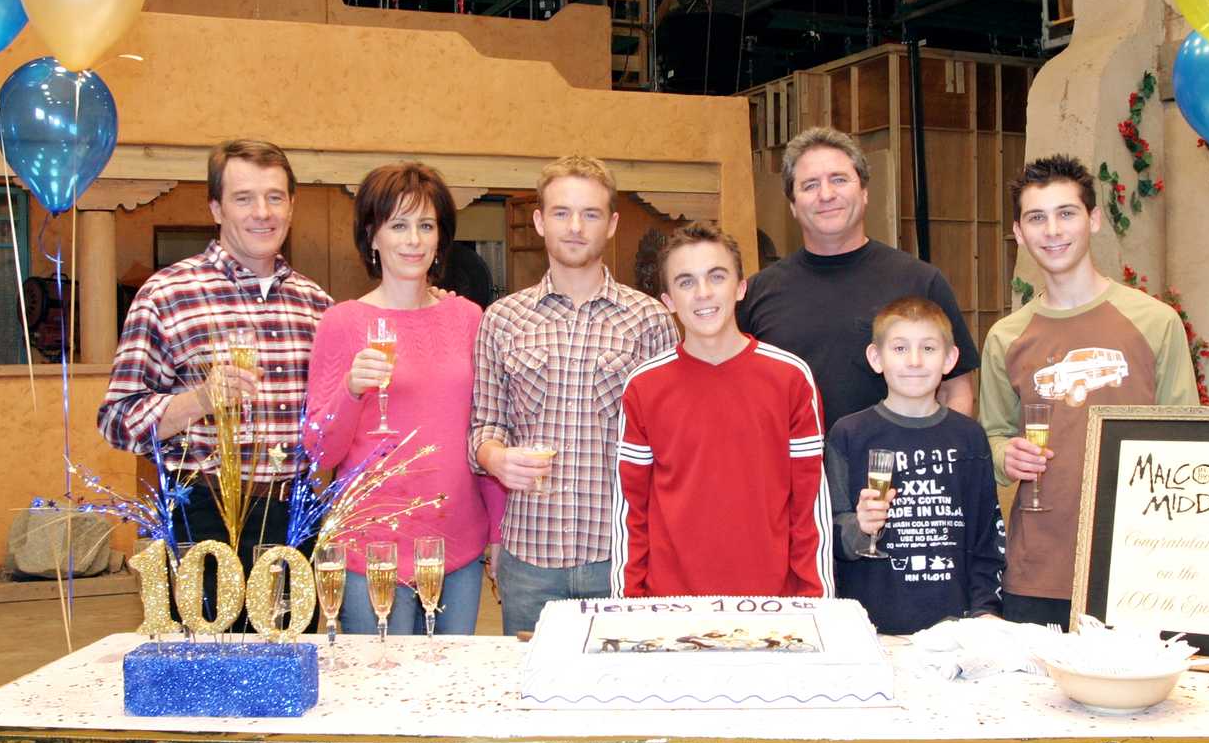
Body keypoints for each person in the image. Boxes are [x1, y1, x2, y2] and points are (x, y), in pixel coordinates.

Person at [98, 138, 331, 621]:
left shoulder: (317, 305)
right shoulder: (167, 294)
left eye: (275, 196)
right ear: (216, 208)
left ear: (292, 205)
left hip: (296, 518)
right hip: (202, 514)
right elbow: (117, 421)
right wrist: (199, 399)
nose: (262, 213)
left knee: (292, 675)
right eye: (244, 198)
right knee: (207, 675)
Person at [979, 154, 1198, 629]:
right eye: (1037, 218)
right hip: (1039, 565)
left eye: (1066, 213)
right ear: (1019, 233)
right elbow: (993, 437)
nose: (1052, 230)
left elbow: (1188, 436)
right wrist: (1006, 457)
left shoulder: (1155, 322)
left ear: (1093, 219)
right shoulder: (1005, 337)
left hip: (1141, 563)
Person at [470, 155, 678, 635]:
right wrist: (495, 456)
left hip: (619, 552)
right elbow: (484, 424)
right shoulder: (502, 320)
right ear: (541, 221)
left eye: (591, 214)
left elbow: (669, 444)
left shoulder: (651, 322)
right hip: (530, 556)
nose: (575, 227)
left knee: (621, 696)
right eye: (562, 213)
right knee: (532, 693)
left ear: (612, 225)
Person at [303, 163, 505, 636]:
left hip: (457, 546)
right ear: (372, 236)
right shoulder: (343, 323)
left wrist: (496, 532)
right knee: (375, 694)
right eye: (398, 225)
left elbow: (488, 429)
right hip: (369, 550)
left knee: (447, 692)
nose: (413, 240)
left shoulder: (468, 318)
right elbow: (319, 453)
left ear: (440, 238)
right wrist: (351, 390)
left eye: (426, 225)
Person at [611, 222, 832, 598]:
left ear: (741, 287)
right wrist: (628, 606)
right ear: (667, 301)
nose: (703, 293)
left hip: (771, 605)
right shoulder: (643, 387)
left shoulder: (791, 378)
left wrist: (816, 605)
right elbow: (631, 512)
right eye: (685, 282)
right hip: (670, 606)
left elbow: (809, 507)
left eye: (716, 276)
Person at [738, 126, 980, 430]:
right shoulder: (757, 293)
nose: (826, 194)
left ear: (864, 192)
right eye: (810, 185)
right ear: (793, 205)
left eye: (839, 179)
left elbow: (956, 389)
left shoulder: (920, 282)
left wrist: (939, 460)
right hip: (793, 476)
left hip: (896, 475)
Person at [825, 297, 1003, 633]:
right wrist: (858, 526)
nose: (915, 361)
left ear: (950, 359)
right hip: (869, 625)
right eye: (900, 348)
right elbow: (825, 533)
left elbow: (987, 536)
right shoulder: (848, 434)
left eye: (929, 348)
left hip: (956, 624)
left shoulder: (969, 437)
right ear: (876, 358)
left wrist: (985, 609)